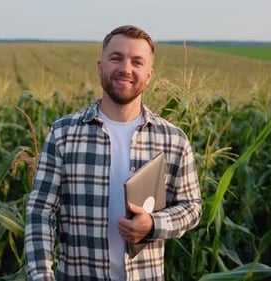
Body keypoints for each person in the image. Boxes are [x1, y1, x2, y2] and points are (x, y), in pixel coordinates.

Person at [24, 24, 202, 281]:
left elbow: (191, 207)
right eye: (116, 58)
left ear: (149, 74)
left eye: (137, 62)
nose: (126, 69)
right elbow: (40, 211)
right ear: (100, 67)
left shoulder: (173, 140)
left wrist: (153, 225)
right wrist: (41, 275)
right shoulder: (63, 134)